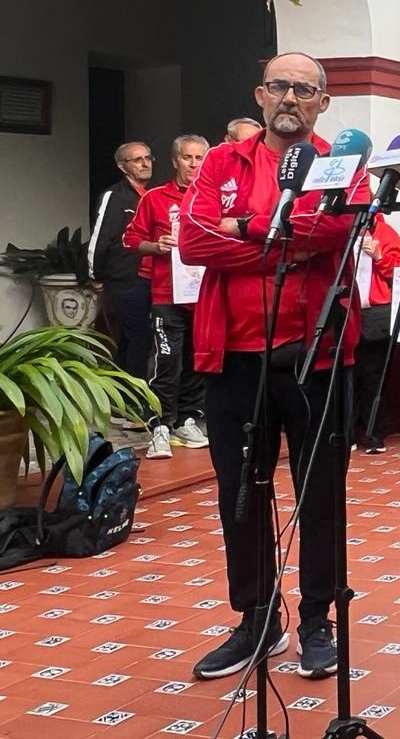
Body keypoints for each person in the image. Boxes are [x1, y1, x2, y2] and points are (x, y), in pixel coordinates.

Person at [178, 53, 363, 682]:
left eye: (304, 89)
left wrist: (247, 229)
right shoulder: (221, 163)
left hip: (316, 355)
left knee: (321, 494)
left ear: (322, 102)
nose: (291, 97)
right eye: (280, 86)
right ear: (261, 94)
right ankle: (257, 619)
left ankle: (317, 621)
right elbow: (196, 242)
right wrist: (282, 241)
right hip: (231, 356)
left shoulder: (342, 163)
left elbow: (334, 228)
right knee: (240, 495)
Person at [122, 134, 211, 458]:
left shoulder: (210, 199)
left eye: (200, 158)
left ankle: (187, 420)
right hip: (166, 293)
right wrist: (155, 246)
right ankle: (159, 425)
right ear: (175, 160)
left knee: (195, 361)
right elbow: (131, 239)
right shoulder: (155, 198)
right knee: (166, 360)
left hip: (203, 294)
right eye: (187, 158)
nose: (193, 165)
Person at [89, 140, 154, 379]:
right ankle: (135, 399)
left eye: (148, 158)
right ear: (122, 166)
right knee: (139, 337)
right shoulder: (114, 195)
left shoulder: (151, 195)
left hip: (146, 277)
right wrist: (95, 275)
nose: (145, 163)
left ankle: (122, 397)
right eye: (137, 160)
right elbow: (99, 237)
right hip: (122, 279)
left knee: (130, 339)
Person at [353, 211, 400, 453]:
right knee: (347, 376)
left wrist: (379, 255)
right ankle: (348, 433)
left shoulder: (385, 232)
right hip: (346, 311)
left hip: (376, 312)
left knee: (374, 376)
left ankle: (374, 433)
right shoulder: (344, 232)